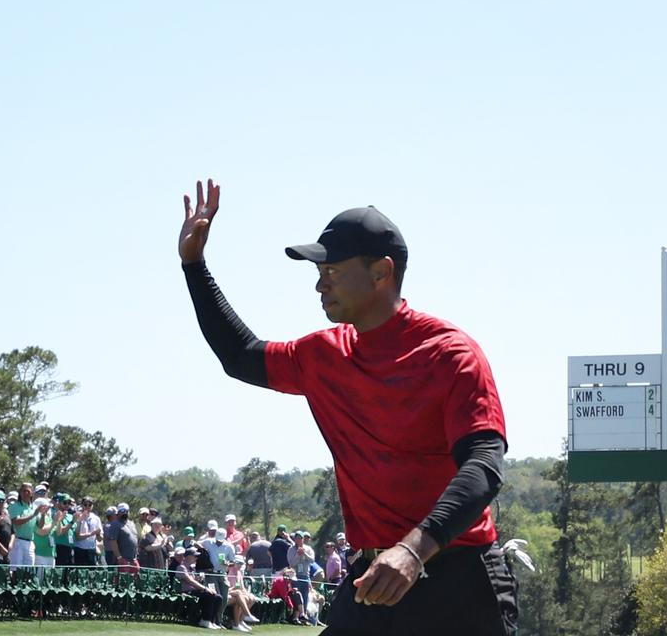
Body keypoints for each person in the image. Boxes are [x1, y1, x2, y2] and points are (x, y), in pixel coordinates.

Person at [179, 180, 516, 635]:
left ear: (381, 272)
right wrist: (194, 266)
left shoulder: (450, 354)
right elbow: (240, 356)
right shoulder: (323, 355)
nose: (320, 284)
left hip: (457, 577)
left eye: (332, 270)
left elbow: (483, 467)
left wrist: (414, 549)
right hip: (372, 579)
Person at [175, 547, 223, 630]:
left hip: (194, 591)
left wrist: (200, 579)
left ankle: (211, 621)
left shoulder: (192, 568)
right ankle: (205, 620)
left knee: (218, 597)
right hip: (186, 592)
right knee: (209, 595)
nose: (197, 558)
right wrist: (205, 588)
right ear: (188, 556)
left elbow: (194, 581)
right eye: (195, 556)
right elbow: (190, 581)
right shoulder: (181, 567)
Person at [73, 496, 102, 566]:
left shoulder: (96, 518)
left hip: (91, 550)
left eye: (90, 505)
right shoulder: (78, 516)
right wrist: (92, 533)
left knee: (91, 573)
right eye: (85, 504)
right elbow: (77, 537)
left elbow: (100, 539)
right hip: (80, 549)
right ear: (82, 505)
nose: (87, 506)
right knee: (80, 572)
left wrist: (98, 534)